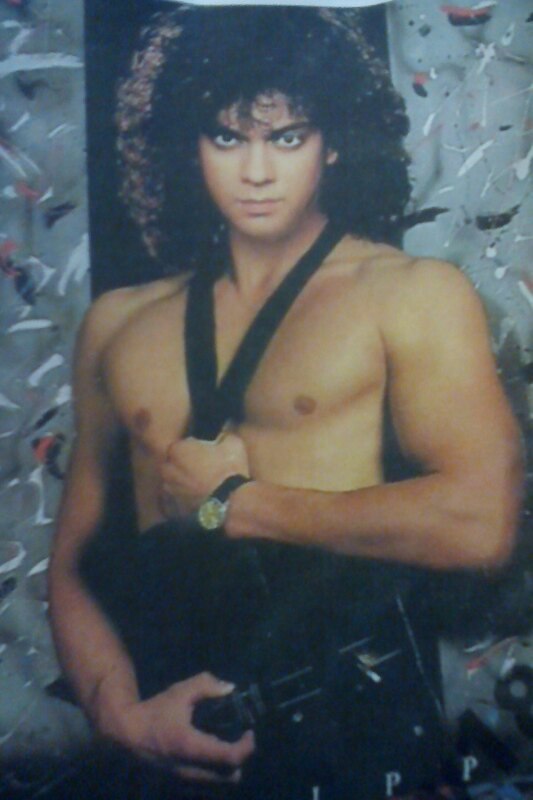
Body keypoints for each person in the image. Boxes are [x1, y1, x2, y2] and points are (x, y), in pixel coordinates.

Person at [48, 7, 523, 800]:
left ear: (331, 141)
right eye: (227, 138)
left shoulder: (408, 293)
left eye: (286, 137)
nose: (257, 172)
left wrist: (232, 504)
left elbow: (480, 525)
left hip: (354, 732)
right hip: (164, 739)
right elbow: (74, 565)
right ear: (190, 143)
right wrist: (120, 716)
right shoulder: (118, 324)